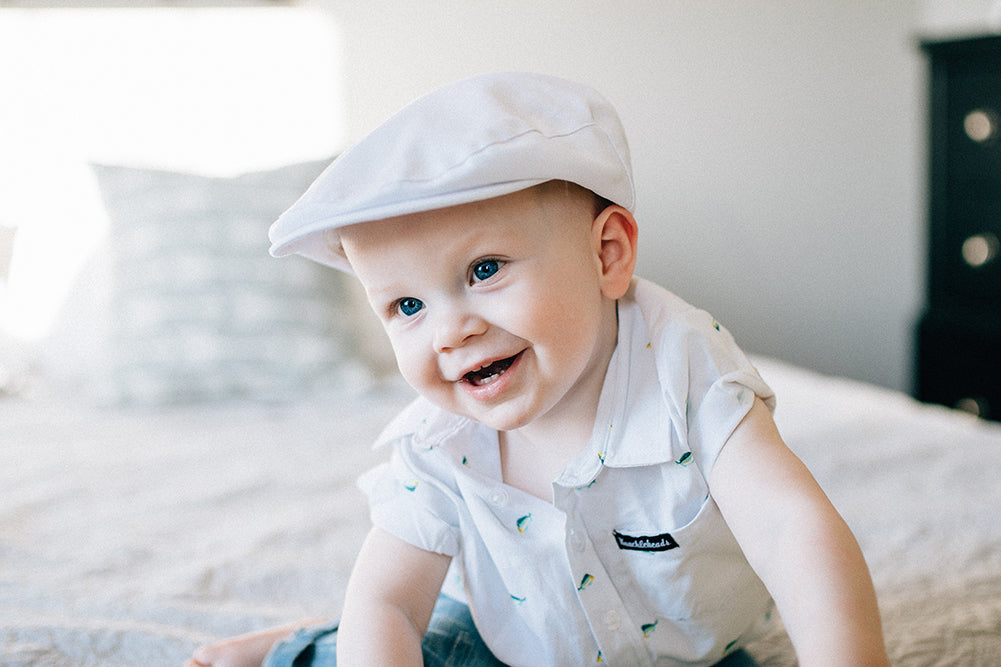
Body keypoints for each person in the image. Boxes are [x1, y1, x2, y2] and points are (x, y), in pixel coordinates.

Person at [187, 72, 889, 667]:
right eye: (405, 304)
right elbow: (389, 600)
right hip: (513, 646)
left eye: (483, 269)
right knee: (386, 643)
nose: (450, 329)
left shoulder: (687, 370)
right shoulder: (437, 442)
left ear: (606, 255)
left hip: (690, 655)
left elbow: (788, 529)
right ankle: (300, 643)